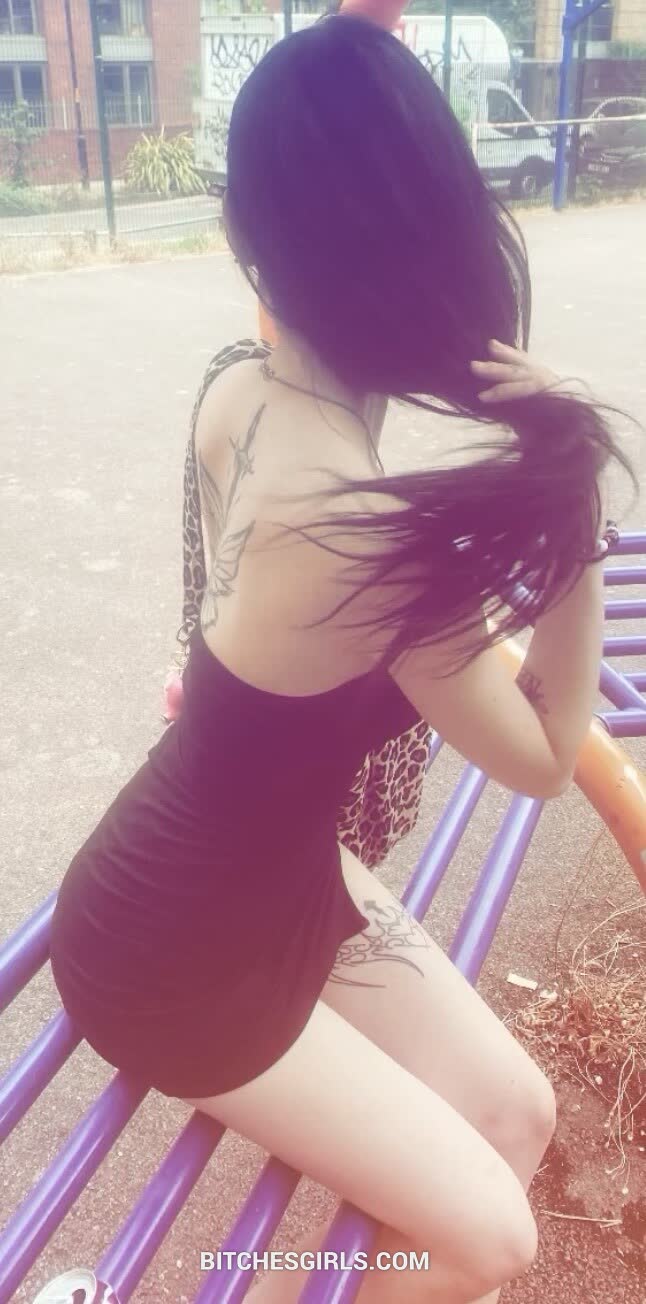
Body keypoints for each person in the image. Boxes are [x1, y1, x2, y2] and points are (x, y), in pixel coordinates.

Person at [49, 15, 635, 1303]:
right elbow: (546, 757)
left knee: (520, 1116)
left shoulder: (238, 391)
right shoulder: (370, 541)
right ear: (437, 248)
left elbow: (246, 643)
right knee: (489, 1240)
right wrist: (573, 496)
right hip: (171, 955)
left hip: (276, 878)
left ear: (255, 240)